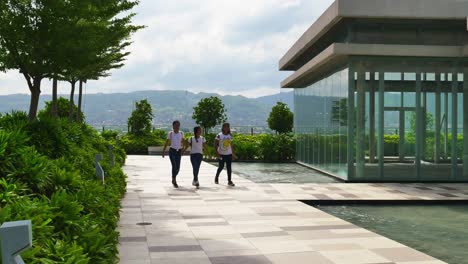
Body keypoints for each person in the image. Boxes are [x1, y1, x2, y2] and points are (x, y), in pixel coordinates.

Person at [162, 120, 185, 188]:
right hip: (172, 151)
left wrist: (183, 149)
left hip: (179, 152)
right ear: (173, 126)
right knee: (174, 166)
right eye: (176, 125)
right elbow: (167, 142)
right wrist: (163, 151)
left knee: (178, 168)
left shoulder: (181, 133)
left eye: (178, 125)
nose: (177, 127)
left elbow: (183, 142)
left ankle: (173, 177)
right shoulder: (170, 133)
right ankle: (174, 180)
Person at [214, 122, 236, 187]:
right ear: (223, 128)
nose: (227, 128)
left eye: (228, 127)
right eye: (225, 127)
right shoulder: (219, 135)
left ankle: (229, 181)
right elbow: (215, 144)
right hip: (221, 154)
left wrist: (233, 154)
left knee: (229, 168)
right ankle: (216, 177)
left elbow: (231, 145)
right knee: (221, 167)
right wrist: (217, 153)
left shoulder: (230, 135)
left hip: (228, 154)